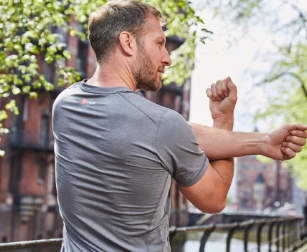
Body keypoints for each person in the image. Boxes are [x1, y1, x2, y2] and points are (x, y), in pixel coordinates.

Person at [52, 0, 307, 251]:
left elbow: (162, 131)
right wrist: (223, 120)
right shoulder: (162, 125)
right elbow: (215, 199)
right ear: (128, 42)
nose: (167, 58)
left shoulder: (65, 106)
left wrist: (262, 142)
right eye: (159, 43)